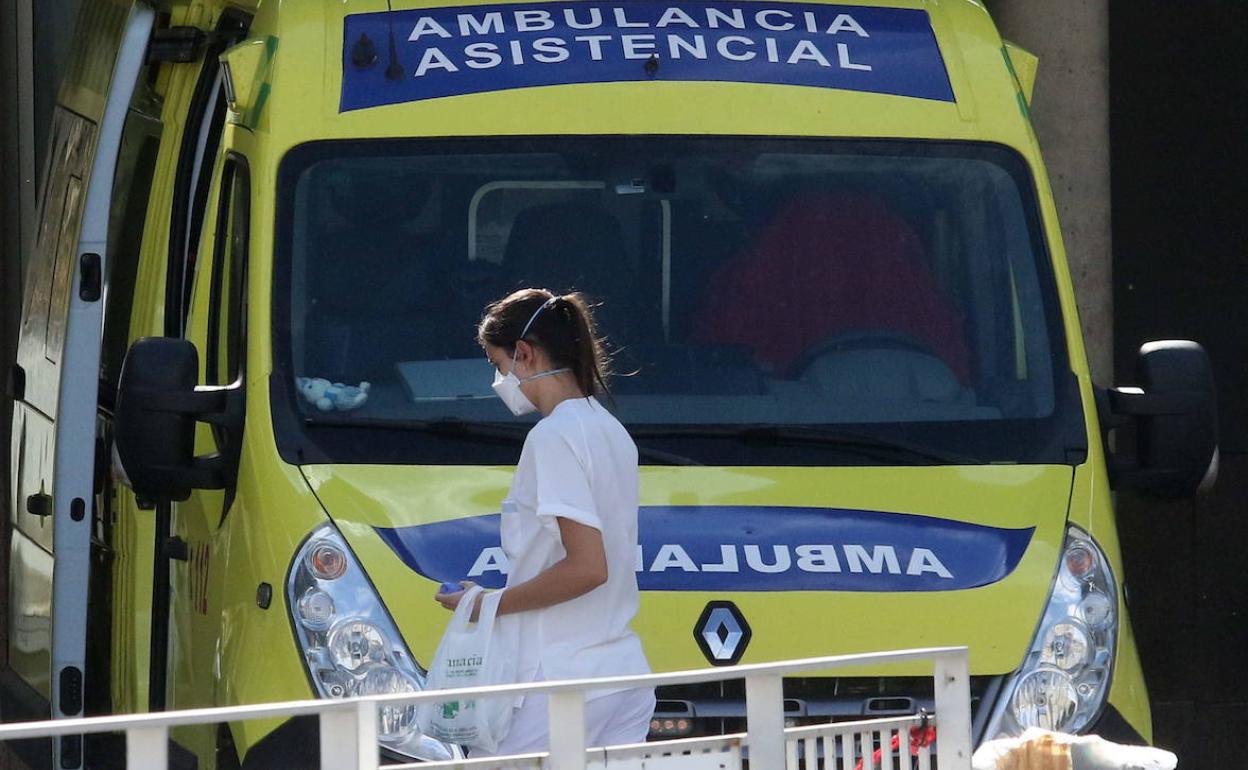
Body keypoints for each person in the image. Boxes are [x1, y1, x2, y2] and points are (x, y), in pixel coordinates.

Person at [435, 288, 654, 755]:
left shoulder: (552, 436)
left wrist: (486, 605)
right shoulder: (611, 430)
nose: (500, 382)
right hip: (621, 677)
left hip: (558, 682)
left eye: (498, 366)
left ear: (525, 354)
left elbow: (587, 568)